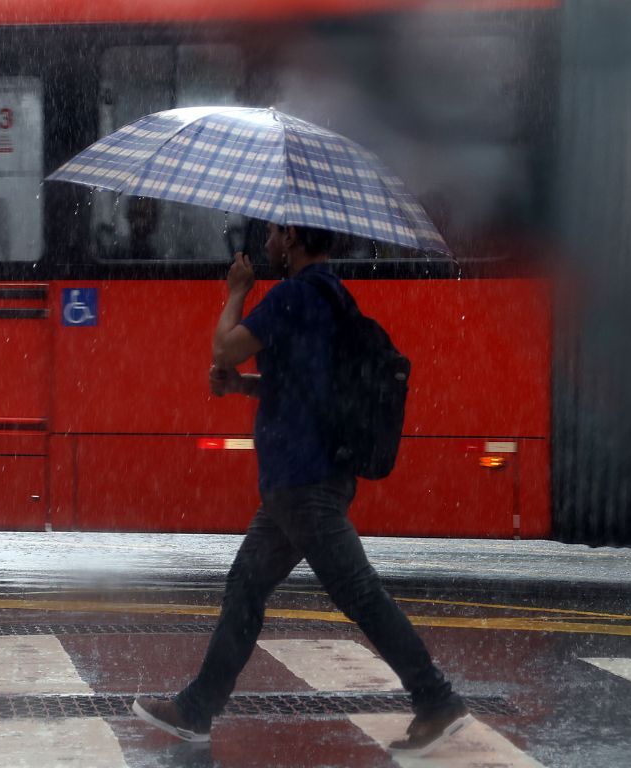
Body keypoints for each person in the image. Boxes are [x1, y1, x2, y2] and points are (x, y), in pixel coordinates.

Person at [131, 221, 471, 757]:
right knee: (245, 587)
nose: (262, 243)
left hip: (301, 480)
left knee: (359, 594)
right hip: (305, 478)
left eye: (270, 233)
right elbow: (302, 385)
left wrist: (237, 292)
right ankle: (197, 710)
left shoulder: (292, 295)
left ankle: (436, 699)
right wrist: (244, 385)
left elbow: (224, 346)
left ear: (290, 239)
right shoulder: (332, 295)